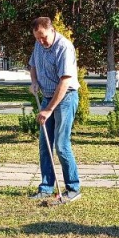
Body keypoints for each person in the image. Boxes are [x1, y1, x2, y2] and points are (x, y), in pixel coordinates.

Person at [28, 16, 81, 203]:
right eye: (37, 38)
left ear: (51, 30)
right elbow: (33, 65)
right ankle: (46, 187)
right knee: (45, 144)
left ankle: (73, 188)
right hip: (47, 96)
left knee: (61, 144)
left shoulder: (64, 47)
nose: (41, 41)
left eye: (43, 36)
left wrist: (48, 110)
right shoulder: (38, 45)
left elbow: (65, 81)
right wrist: (34, 82)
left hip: (65, 97)